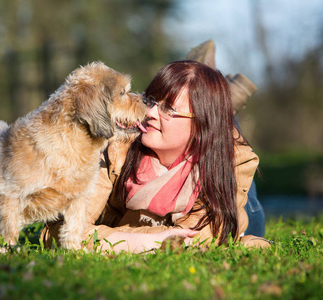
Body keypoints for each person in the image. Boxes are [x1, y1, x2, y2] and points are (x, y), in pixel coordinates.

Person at [41, 60, 271, 252]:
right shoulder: (117, 147)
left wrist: (113, 240)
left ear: (202, 123)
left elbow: (195, 240)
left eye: (168, 109)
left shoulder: (237, 159)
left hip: (218, 167)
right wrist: (151, 240)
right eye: (150, 100)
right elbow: (58, 232)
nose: (149, 113)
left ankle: (226, 109)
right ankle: (215, 91)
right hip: (200, 135)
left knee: (250, 217)